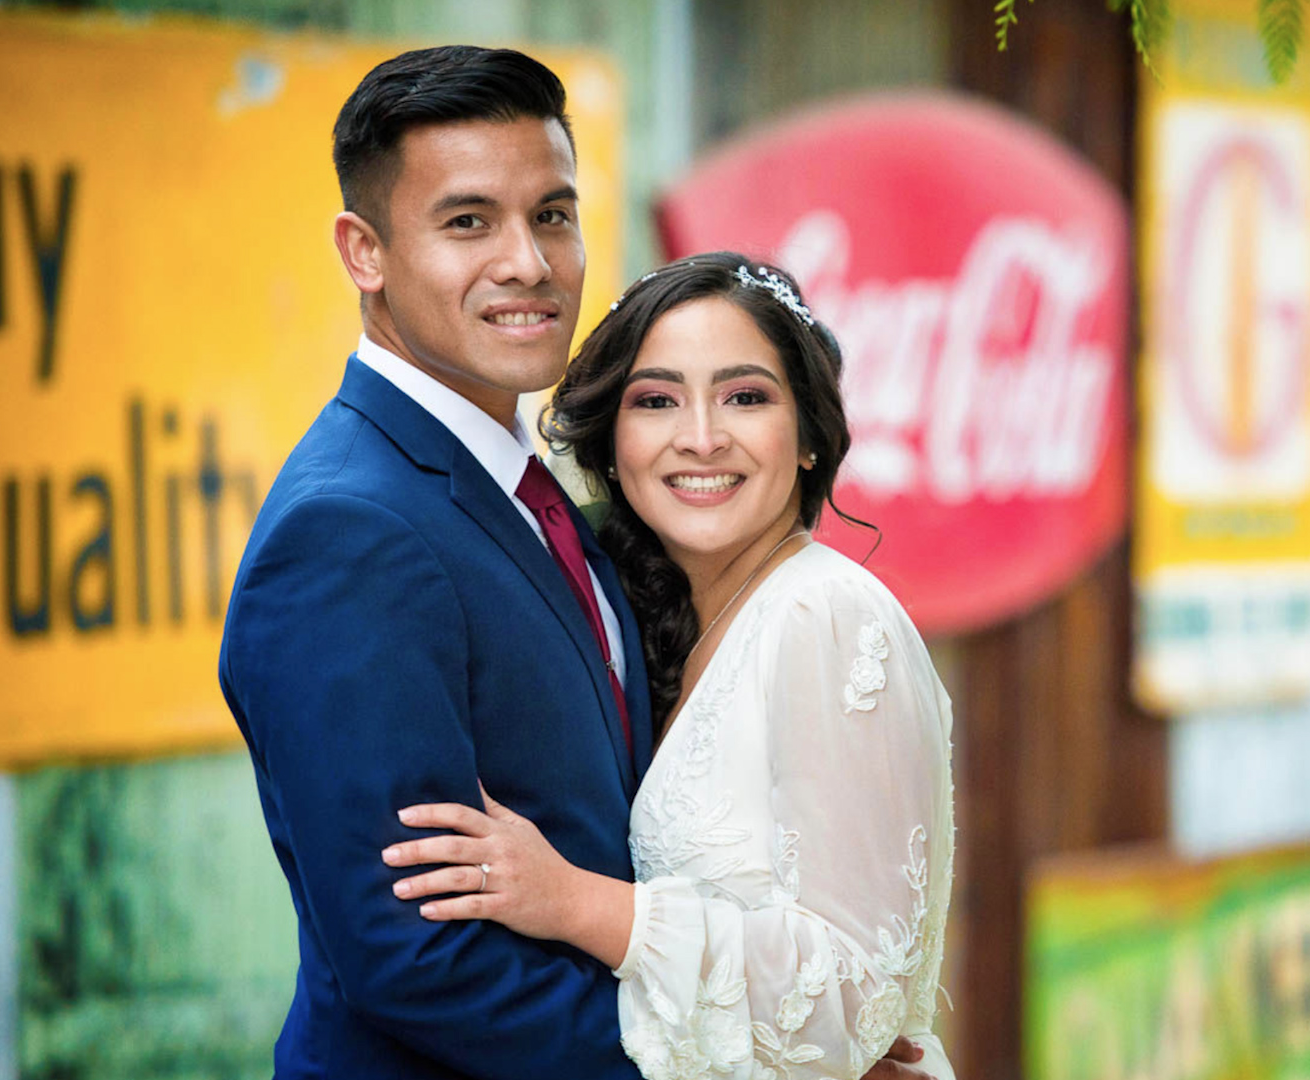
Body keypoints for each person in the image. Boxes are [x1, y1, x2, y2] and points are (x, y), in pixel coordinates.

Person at [218, 47, 933, 1080]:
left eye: (552, 215)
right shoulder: (350, 530)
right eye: (469, 222)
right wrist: (751, 1066)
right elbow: (416, 960)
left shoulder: (550, 504)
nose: (529, 262)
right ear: (364, 251)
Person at [379, 253, 958, 1080]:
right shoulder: (657, 621)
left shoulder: (825, 615)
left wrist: (572, 901)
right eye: (656, 401)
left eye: (745, 397)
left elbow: (854, 997)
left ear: (807, 436)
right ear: (613, 446)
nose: (701, 437)